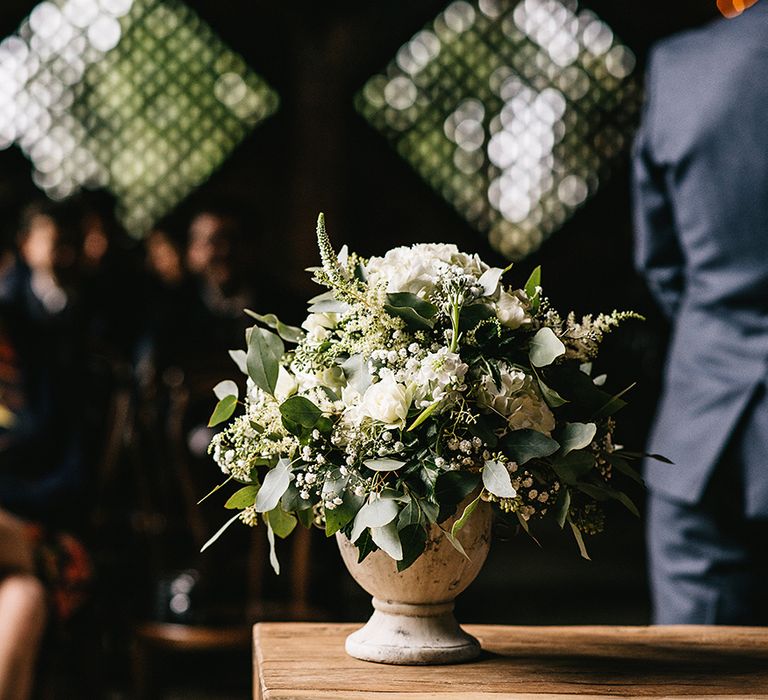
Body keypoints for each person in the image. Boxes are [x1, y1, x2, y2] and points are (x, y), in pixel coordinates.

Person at [633, 4, 768, 624]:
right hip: (707, 437)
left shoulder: (683, 66)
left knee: (698, 673)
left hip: (705, 433)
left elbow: (662, 260)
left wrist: (720, 328)